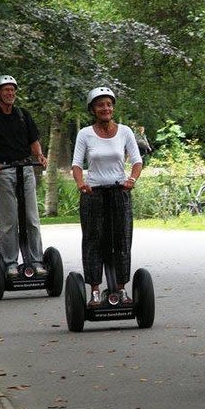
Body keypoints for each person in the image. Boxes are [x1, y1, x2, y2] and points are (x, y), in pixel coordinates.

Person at [72, 87, 143, 306]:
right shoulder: (85, 134)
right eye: (100, 105)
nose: (106, 108)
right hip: (93, 194)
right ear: (93, 109)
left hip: (119, 192)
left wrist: (131, 180)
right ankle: (95, 291)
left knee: (122, 240)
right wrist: (81, 183)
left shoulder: (125, 131)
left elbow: (137, 161)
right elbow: (76, 164)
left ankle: (120, 290)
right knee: (93, 241)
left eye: (109, 104)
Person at [0, 75, 48, 278]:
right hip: (3, 171)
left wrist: (40, 156)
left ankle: (36, 260)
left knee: (32, 218)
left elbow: (34, 141)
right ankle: (10, 262)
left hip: (25, 169)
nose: (10, 93)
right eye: (5, 90)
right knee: (9, 221)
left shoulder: (23, 115)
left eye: (12, 90)